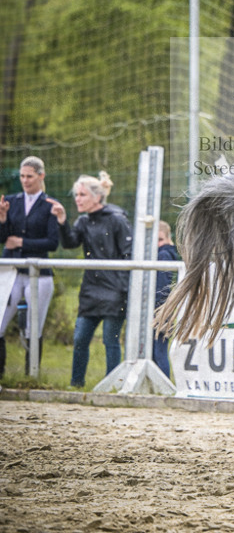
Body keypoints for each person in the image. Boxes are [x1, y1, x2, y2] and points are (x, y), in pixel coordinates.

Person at [49, 171, 133, 388]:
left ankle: (112, 385)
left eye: (82, 194)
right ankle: (76, 383)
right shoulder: (83, 221)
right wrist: (62, 221)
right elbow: (70, 243)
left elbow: (129, 254)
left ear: (97, 197)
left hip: (115, 290)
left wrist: (123, 288)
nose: (77, 199)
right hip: (91, 290)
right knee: (80, 338)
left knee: (110, 340)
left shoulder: (117, 219)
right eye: (76, 195)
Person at [0, 156, 61, 377]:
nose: (25, 181)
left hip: (38, 273)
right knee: (1, 321)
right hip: (12, 270)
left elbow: (52, 243)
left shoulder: (49, 205)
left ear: (41, 176)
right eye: (22, 176)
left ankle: (31, 375)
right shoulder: (11, 201)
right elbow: (3, 239)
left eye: (30, 176)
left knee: (33, 327)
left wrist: (22, 242)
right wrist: (3, 219)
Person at [153, 220, 178, 378]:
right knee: (157, 349)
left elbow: (161, 287)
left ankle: (164, 382)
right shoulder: (168, 254)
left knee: (159, 350)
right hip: (165, 308)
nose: (157, 244)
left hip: (160, 309)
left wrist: (158, 311)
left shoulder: (163, 255)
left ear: (168, 238)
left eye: (160, 239)